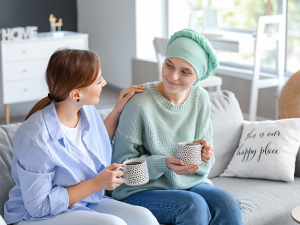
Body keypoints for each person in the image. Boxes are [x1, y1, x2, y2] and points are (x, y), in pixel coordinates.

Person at [4, 49, 159, 225]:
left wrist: (118, 108)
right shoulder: (35, 138)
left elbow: (96, 140)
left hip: (84, 202)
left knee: (144, 218)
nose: (105, 83)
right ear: (75, 94)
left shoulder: (85, 110)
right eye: (98, 80)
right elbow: (39, 206)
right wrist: (96, 183)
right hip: (35, 216)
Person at [112, 29, 243, 225]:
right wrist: (163, 164)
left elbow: (205, 167)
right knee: (192, 205)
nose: (172, 76)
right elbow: (122, 167)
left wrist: (204, 155)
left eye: (185, 71)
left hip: (188, 185)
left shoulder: (201, 98)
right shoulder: (140, 102)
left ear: (197, 76)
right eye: (169, 65)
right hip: (140, 190)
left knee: (228, 202)